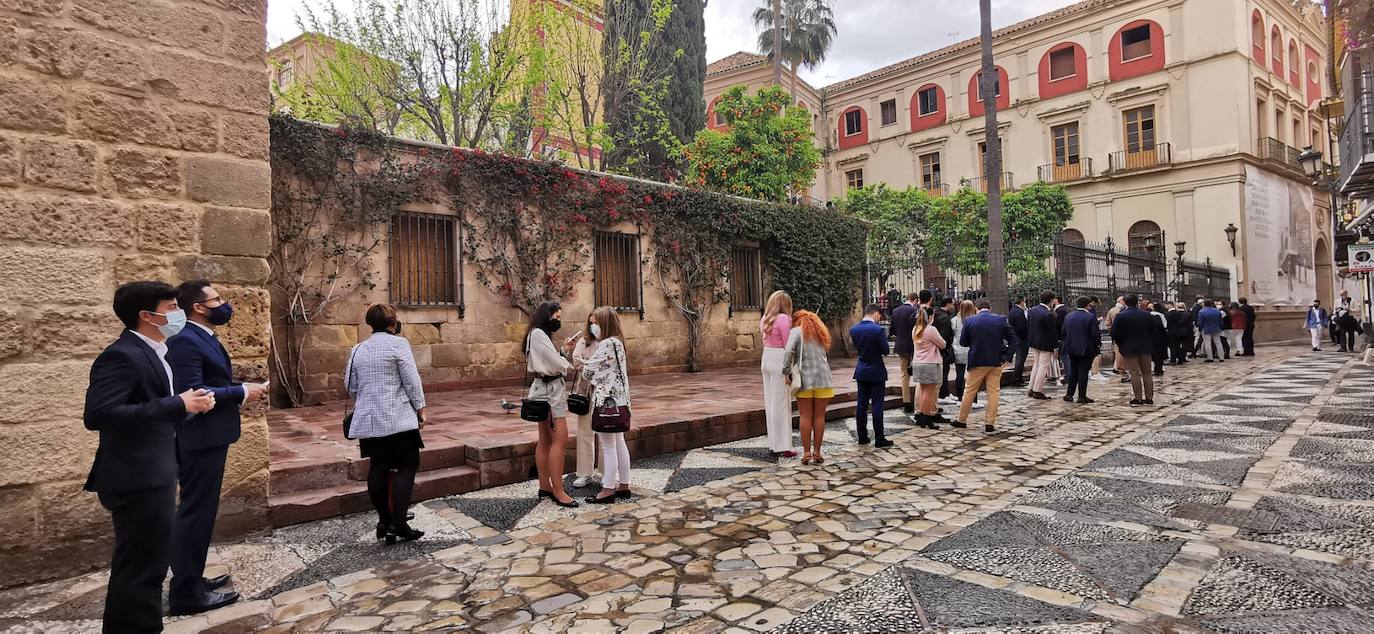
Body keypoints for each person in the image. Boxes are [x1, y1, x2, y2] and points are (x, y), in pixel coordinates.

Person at [84, 281, 217, 632]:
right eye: (171, 307)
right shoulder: (122, 355)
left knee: (149, 566)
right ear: (147, 315)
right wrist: (178, 403)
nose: (177, 313)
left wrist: (190, 405)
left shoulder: (156, 350)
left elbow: (154, 407)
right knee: (141, 569)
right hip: (135, 475)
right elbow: (99, 414)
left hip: (154, 471)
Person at [166, 281, 266, 615]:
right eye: (217, 299)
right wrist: (240, 393)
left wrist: (239, 387)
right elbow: (193, 391)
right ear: (198, 306)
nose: (223, 305)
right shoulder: (184, 341)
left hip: (211, 436)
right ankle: (186, 592)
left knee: (201, 511)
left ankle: (191, 577)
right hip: (200, 438)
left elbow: (214, 382)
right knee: (195, 512)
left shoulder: (202, 337)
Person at [345, 303, 429, 542]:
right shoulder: (399, 344)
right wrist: (421, 409)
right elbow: (412, 381)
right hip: (398, 418)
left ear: (370, 323)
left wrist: (368, 399)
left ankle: (384, 520)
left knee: (378, 466)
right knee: (407, 465)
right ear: (393, 322)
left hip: (370, 420)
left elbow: (350, 386)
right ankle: (399, 522)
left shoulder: (358, 349)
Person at [523, 301, 579, 507]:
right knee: (560, 440)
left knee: (546, 440)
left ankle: (545, 487)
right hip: (549, 392)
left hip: (544, 389)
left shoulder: (537, 334)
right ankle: (558, 491)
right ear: (546, 315)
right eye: (556, 316)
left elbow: (551, 360)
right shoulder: (538, 334)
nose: (558, 320)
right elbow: (555, 365)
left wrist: (564, 350)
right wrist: (567, 363)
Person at [581, 307, 633, 503]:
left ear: (604, 324)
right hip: (621, 402)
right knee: (619, 443)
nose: (592, 327)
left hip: (606, 404)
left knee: (608, 447)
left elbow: (587, 371)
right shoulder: (618, 343)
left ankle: (608, 490)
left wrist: (579, 360)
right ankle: (624, 485)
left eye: (595, 323)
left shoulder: (606, 344)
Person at [954, 298, 1016, 433]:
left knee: (969, 391)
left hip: (977, 360)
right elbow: (1013, 340)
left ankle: (962, 420)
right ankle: (989, 422)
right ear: (990, 308)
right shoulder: (1001, 319)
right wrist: (1007, 357)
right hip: (996, 360)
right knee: (993, 392)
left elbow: (963, 342)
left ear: (976, 308)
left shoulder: (970, 320)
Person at [783, 310, 834, 464]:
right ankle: (817, 452)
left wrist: (786, 371)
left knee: (805, 416)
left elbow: (788, 351)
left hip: (804, 379)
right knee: (819, 416)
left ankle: (806, 453)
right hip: (824, 379)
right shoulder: (821, 332)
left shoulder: (797, 331)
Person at [760, 291, 798, 458]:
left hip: (766, 357)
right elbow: (788, 344)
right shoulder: (783, 319)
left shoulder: (765, 318)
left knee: (770, 402)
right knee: (782, 404)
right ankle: (783, 446)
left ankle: (773, 443)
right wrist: (790, 368)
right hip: (779, 358)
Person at [849, 305, 893, 447]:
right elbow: (885, 350)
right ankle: (879, 437)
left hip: (862, 369)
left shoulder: (854, 329)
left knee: (861, 404)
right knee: (877, 405)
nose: (880, 318)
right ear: (875, 314)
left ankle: (862, 436)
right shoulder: (877, 330)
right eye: (879, 315)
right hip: (876, 370)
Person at [570, 314, 601, 489]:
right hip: (586, 391)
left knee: (606, 431)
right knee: (584, 430)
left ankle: (606, 472)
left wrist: (588, 363)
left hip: (604, 392)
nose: (593, 326)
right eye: (591, 323)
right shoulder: (584, 341)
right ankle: (584, 473)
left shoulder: (609, 341)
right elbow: (576, 361)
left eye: (596, 322)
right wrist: (592, 364)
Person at [1111, 295, 1157, 405]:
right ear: (1137, 302)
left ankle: (1138, 397)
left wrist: (1121, 344)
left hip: (1129, 347)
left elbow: (1114, 333)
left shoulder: (1121, 316)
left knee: (1134, 373)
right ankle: (1149, 397)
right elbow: (1153, 331)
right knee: (1147, 373)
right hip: (1145, 347)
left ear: (1125, 303)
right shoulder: (1146, 315)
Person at [911, 307, 948, 429]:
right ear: (930, 317)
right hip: (930, 363)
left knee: (922, 389)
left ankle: (921, 414)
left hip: (918, 363)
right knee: (929, 391)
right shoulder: (930, 329)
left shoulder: (915, 329)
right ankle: (927, 417)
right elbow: (942, 344)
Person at [1061, 296, 1100, 403]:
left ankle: (1069, 394)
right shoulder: (1090, 317)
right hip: (1086, 348)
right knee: (1083, 372)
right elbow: (1095, 334)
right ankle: (1082, 395)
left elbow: (1063, 331)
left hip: (1071, 347)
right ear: (1088, 305)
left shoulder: (1068, 316)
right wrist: (1097, 346)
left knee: (1074, 371)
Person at [950, 300, 984, 412]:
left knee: (959, 375)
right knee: (973, 377)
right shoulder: (975, 321)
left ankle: (960, 398)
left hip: (958, 349)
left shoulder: (954, 320)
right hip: (971, 350)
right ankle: (973, 400)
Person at [891, 293, 920, 413]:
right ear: (915, 300)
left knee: (904, 374)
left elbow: (892, 329)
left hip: (901, 345)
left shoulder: (895, 311)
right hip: (913, 345)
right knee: (918, 374)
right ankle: (918, 404)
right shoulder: (914, 311)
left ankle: (906, 401)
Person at [1026, 290, 1057, 400]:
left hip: (1034, 341)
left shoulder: (1032, 310)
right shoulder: (1048, 314)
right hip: (1045, 343)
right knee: (1043, 366)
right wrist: (1055, 346)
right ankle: (1037, 390)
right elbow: (1052, 332)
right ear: (1051, 300)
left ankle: (1031, 387)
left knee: (1037, 365)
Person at [933, 297, 958, 405]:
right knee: (944, 372)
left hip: (939, 348)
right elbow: (945, 335)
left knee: (944, 372)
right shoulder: (944, 317)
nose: (953, 306)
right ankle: (943, 393)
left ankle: (945, 392)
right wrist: (946, 346)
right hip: (943, 349)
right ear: (948, 304)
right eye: (952, 304)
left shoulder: (938, 313)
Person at [1008, 296, 1030, 386]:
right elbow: (1022, 327)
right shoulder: (1019, 312)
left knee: (1019, 359)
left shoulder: (1012, 311)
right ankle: (1017, 379)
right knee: (1020, 359)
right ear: (1021, 302)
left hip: (1016, 338)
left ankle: (1018, 378)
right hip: (1021, 339)